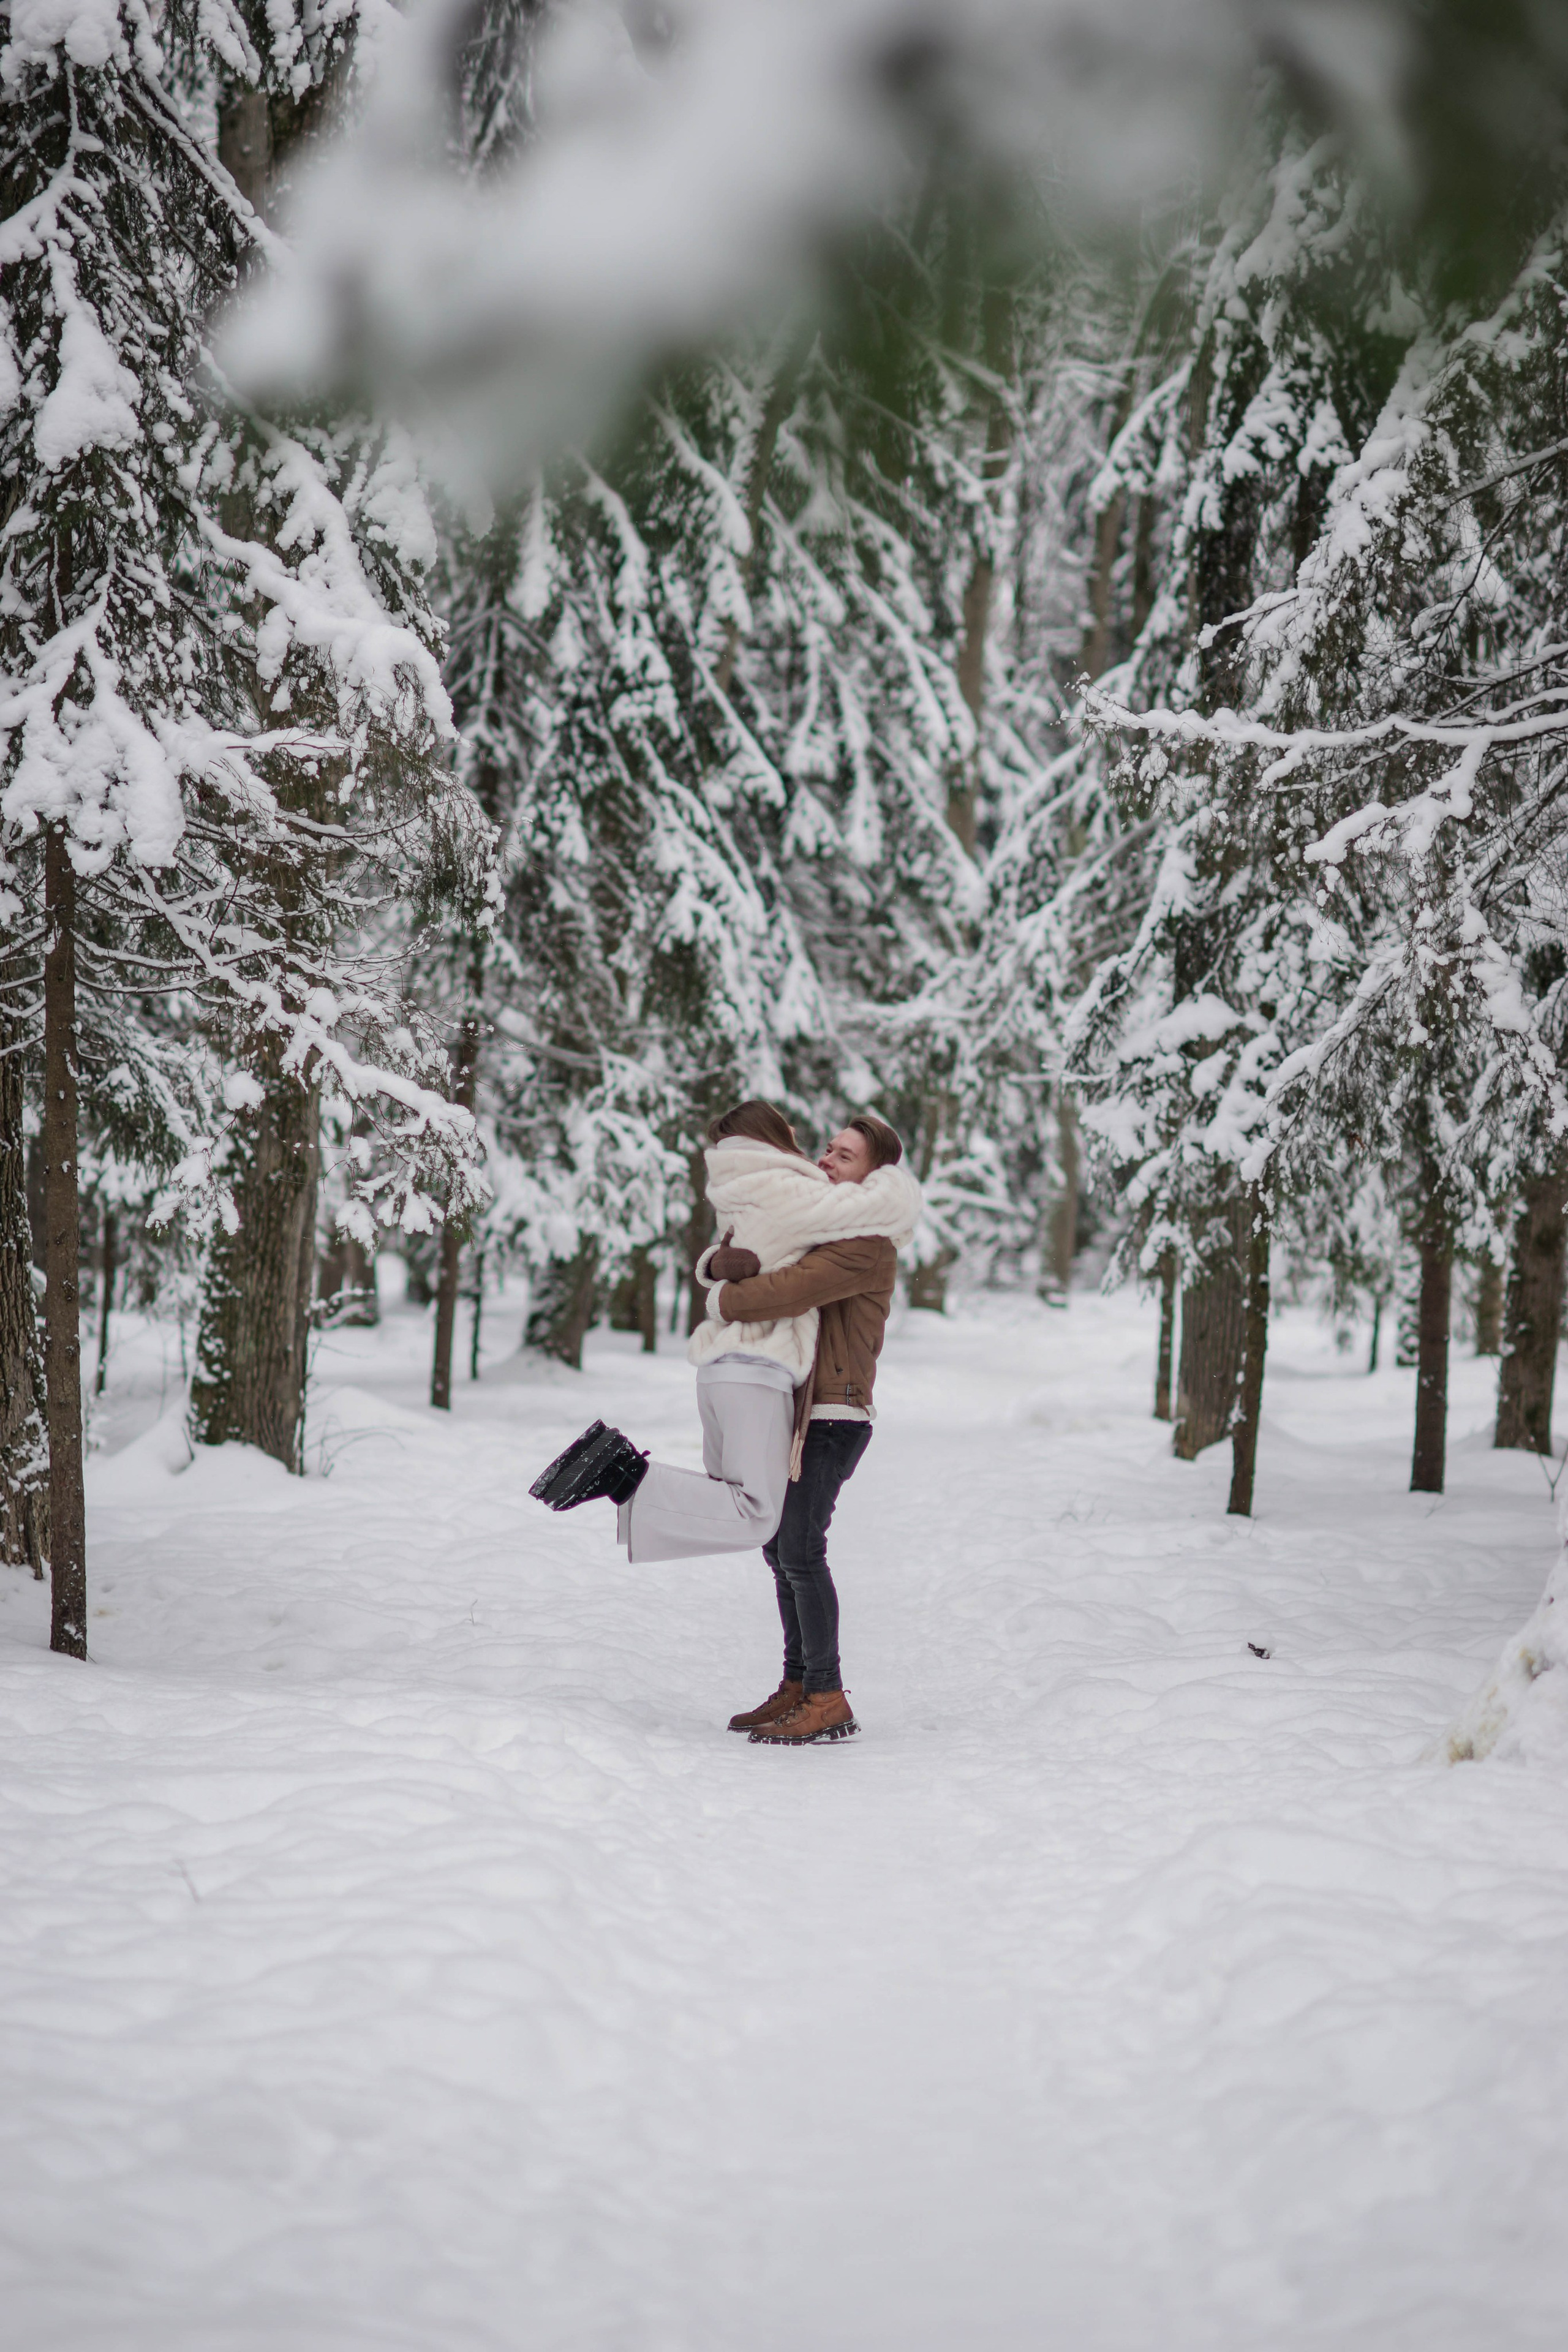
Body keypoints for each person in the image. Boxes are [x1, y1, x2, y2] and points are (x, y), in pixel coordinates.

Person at [529, 1108, 916, 1746]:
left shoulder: (866, 1245)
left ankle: (826, 1695)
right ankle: (798, 1684)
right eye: (827, 1148)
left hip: (834, 1414)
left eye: (844, 1157)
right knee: (780, 1548)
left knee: (799, 1548)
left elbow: (791, 1288)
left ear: (874, 1175)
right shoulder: (831, 1226)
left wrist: (721, 1296)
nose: (826, 1160)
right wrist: (718, 1261)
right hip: (803, 1411)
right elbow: (757, 1246)